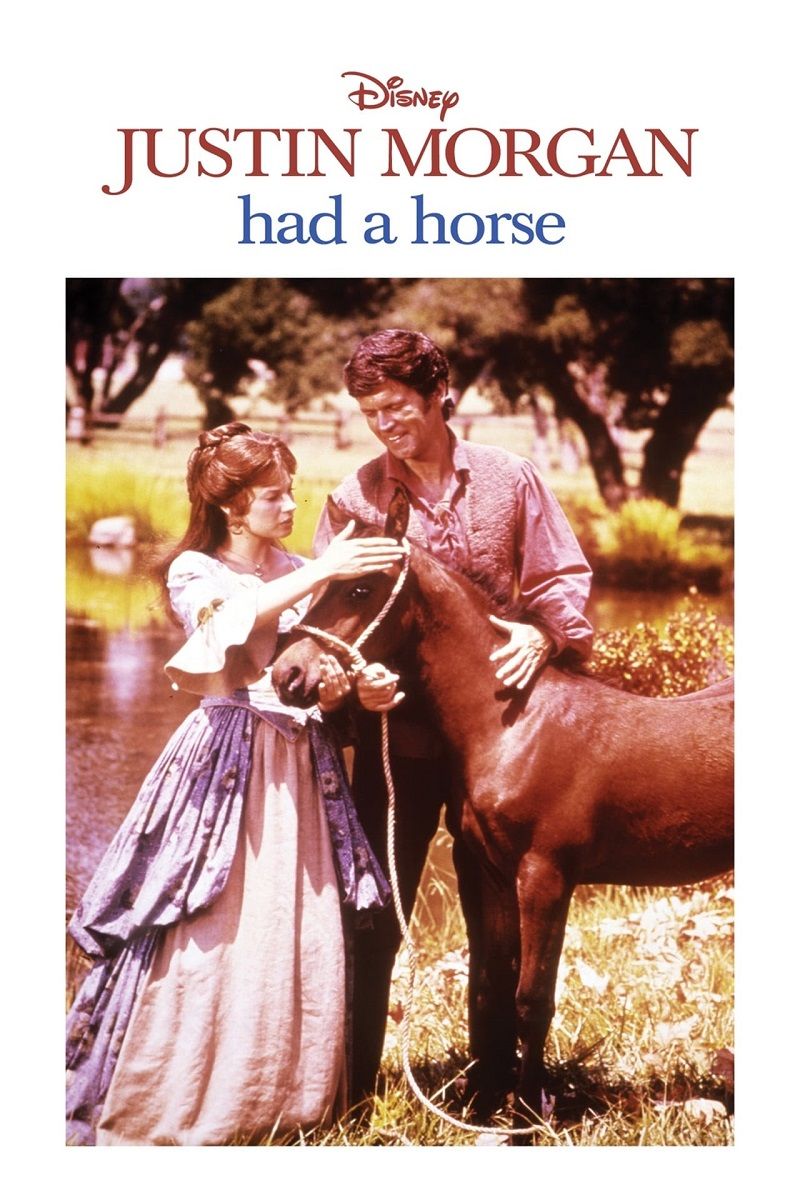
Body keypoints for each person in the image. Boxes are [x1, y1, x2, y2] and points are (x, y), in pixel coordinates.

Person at [65, 422, 405, 1146]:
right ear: (231, 506)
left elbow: (318, 680)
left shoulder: (297, 567)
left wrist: (358, 689)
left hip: (304, 766)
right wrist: (323, 570)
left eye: (291, 492)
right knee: (211, 920)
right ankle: (188, 1095)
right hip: (227, 760)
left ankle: (291, 1101)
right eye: (274, 495)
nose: (291, 506)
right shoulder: (196, 571)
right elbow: (222, 632)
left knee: (299, 923)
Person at [313, 329, 595, 1106]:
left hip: (505, 746)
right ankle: (351, 1091)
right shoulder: (353, 499)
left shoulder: (511, 478)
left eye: (397, 407)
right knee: (374, 917)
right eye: (370, 412)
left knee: (497, 918)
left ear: (440, 393)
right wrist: (352, 685)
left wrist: (544, 634)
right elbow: (327, 618)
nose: (384, 425)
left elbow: (561, 576)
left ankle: (494, 1082)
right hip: (394, 740)